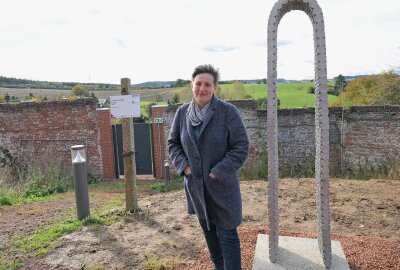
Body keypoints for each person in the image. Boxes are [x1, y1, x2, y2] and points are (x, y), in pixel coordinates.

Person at [168, 64, 249, 270]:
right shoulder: (182, 112)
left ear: (215, 87)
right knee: (209, 233)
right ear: (191, 85)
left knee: (227, 235)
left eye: (207, 84)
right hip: (196, 188)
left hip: (222, 187)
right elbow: (173, 143)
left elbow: (240, 147)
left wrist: (216, 172)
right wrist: (185, 167)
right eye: (198, 84)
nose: (202, 89)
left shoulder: (227, 112)